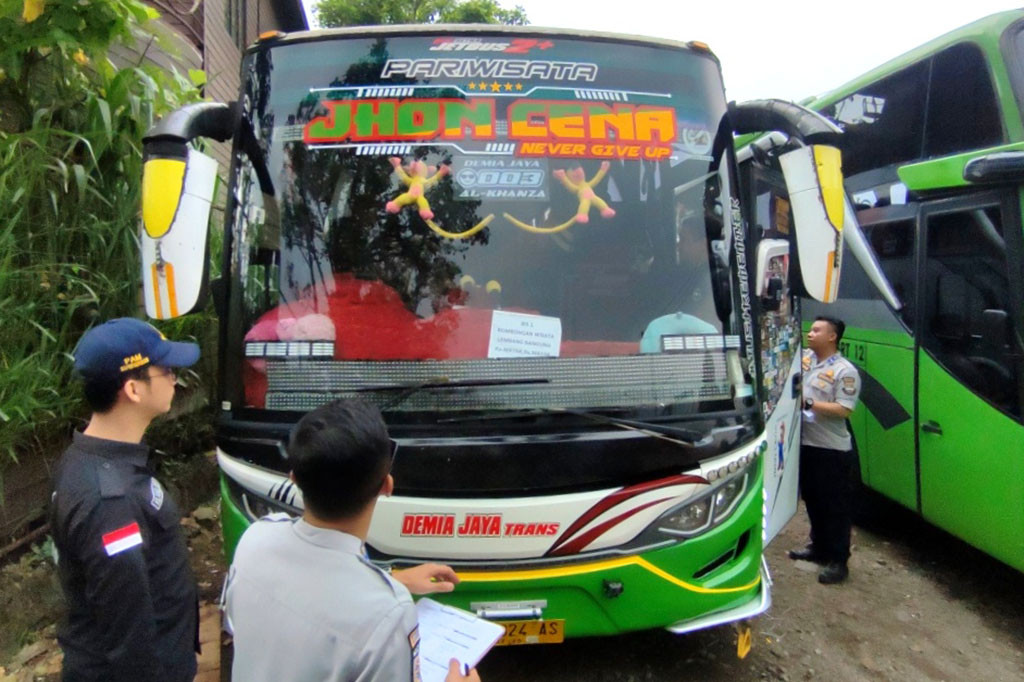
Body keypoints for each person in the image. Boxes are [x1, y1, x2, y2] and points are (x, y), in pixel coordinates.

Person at [223, 398, 482, 682]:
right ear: (387, 485)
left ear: (294, 479)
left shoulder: (255, 540)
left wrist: (392, 581)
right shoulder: (389, 616)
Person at [51, 318, 202, 681]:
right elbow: (129, 629)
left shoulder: (91, 458)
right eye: (166, 369)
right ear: (133, 389)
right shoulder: (111, 502)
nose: (175, 378)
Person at [789, 316, 862, 585]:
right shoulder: (805, 359)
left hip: (831, 450)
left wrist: (808, 403)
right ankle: (818, 547)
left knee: (835, 506)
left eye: (817, 330)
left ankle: (838, 560)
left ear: (832, 337)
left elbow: (844, 409)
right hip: (806, 445)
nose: (810, 333)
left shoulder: (845, 371)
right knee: (813, 499)